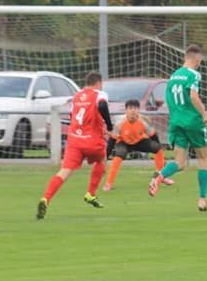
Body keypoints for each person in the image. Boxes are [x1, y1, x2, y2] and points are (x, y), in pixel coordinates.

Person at [36, 71, 112, 219]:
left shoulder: (76, 96)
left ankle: (45, 198)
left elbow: (72, 115)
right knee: (102, 160)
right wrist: (108, 125)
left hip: (75, 140)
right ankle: (90, 193)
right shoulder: (100, 94)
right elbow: (102, 105)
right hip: (92, 139)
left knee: (64, 172)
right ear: (98, 83)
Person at [148, 44, 207, 211]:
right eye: (200, 61)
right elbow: (193, 96)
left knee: (180, 162)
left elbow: (169, 100)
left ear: (185, 57)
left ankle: (159, 176)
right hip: (192, 122)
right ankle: (202, 200)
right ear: (197, 59)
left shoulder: (173, 76)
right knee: (203, 159)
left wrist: (177, 115)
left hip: (176, 122)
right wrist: (204, 114)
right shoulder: (194, 74)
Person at [102, 98, 174, 191]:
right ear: (126, 110)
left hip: (139, 141)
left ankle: (161, 177)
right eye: (130, 108)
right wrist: (105, 158)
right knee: (119, 156)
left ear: (139, 110)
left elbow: (153, 136)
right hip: (124, 142)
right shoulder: (119, 123)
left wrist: (158, 148)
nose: (133, 111)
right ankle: (109, 184)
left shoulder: (143, 122)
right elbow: (112, 141)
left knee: (158, 148)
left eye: (135, 108)